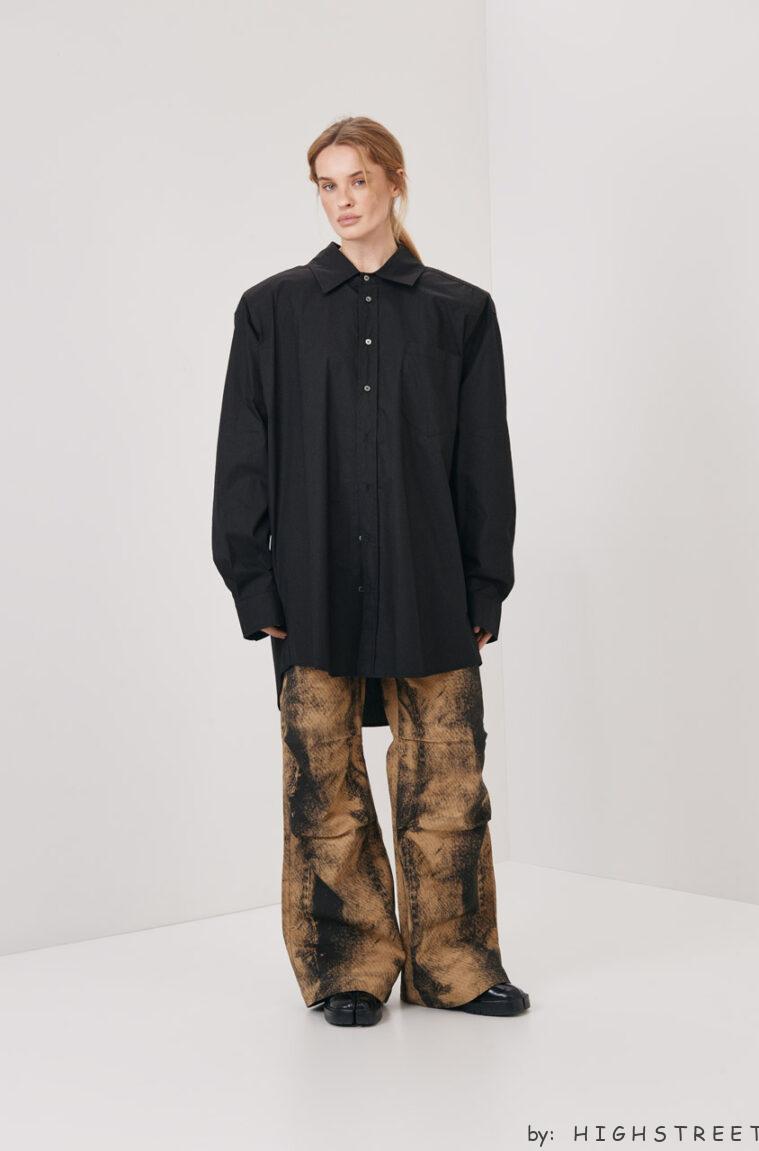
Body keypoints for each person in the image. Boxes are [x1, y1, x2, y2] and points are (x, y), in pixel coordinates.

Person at [211, 115, 531, 1027]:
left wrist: (485, 584)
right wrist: (253, 580)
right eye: (327, 183)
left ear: (395, 181)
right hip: (311, 589)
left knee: (448, 784)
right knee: (325, 791)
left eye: (358, 180)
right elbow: (242, 454)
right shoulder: (271, 310)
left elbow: (483, 461)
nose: (343, 200)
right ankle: (346, 966)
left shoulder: (459, 312)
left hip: (432, 584)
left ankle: (455, 965)